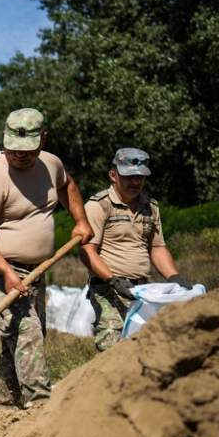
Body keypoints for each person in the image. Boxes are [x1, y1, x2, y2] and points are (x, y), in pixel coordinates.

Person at [0, 108, 92, 409]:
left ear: (42, 140)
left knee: (21, 340)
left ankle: (3, 407)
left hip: (37, 269)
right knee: (27, 333)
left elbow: (68, 185)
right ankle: (41, 408)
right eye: (13, 150)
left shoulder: (51, 165)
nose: (19, 156)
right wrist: (7, 272)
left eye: (27, 151)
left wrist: (81, 219)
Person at [81, 148, 192, 352]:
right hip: (109, 288)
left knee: (144, 345)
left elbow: (157, 248)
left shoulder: (150, 206)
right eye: (129, 177)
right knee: (111, 344)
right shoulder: (99, 205)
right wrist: (112, 279)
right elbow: (87, 251)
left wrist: (174, 277)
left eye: (140, 177)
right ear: (113, 175)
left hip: (143, 290)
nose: (135, 182)